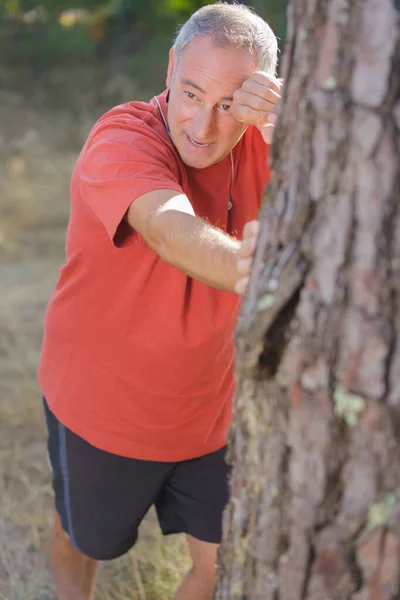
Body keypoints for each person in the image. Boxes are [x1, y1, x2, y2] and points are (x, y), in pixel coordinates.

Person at [38, 3, 281, 599]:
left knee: (226, 563)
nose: (203, 127)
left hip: (216, 415)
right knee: (83, 540)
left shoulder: (283, 148)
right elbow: (169, 229)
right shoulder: (122, 136)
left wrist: (300, 127)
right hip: (105, 409)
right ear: (171, 68)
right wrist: (266, 269)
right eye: (192, 94)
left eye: (229, 105)